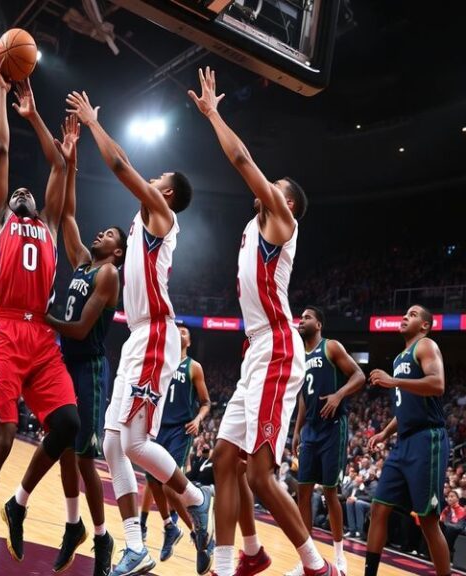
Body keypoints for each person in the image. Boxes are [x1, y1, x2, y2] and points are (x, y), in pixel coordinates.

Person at [187, 67, 337, 576]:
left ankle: (317, 567)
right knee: (225, 460)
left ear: (286, 201)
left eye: (275, 186)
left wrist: (213, 114)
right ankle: (241, 559)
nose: (264, 185)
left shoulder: (282, 220)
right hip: (257, 350)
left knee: (259, 472)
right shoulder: (253, 227)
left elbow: (241, 159)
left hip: (277, 346)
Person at [66, 89, 212, 576]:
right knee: (110, 444)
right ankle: (137, 545)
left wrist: (92, 123)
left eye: (158, 179)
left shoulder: (161, 215)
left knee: (131, 442)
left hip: (155, 334)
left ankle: (194, 498)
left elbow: (122, 165)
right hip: (137, 336)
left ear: (166, 193)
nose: (150, 180)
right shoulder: (142, 222)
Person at [0, 55, 80, 576]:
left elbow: (58, 166)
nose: (22, 192)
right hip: (5, 329)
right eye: (16, 193)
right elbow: (1, 150)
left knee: (68, 424)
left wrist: (39, 120)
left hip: (43, 335)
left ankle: (20, 503)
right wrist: (2, 93)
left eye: (29, 193)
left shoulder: (49, 223)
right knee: (3, 438)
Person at [44, 115, 124, 575]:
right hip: (66, 363)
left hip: (89, 369)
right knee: (64, 450)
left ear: (116, 251)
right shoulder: (79, 261)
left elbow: (77, 330)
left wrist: (43, 317)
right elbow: (68, 214)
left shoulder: (108, 273)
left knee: (85, 458)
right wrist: (71, 158)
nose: (100, 234)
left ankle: (101, 538)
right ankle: (74, 527)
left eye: (109, 235)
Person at [364, 305, 450, 576]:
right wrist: (384, 433)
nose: (404, 317)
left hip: (428, 440)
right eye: (405, 314)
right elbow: (406, 410)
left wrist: (393, 381)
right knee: (378, 509)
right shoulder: (399, 358)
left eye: (412, 315)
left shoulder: (425, 345)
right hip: (403, 442)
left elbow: (437, 384)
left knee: (427, 521)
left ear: (425, 325)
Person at [285, 307, 366, 576]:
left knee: (330, 492)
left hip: (333, 428)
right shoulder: (300, 357)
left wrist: (338, 396)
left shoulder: (330, 347)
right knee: (303, 493)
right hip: (310, 431)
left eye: (307, 317)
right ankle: (308, 559)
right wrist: (297, 429)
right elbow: (302, 397)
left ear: (318, 324)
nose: (302, 320)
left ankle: (340, 558)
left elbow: (359, 376)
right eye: (301, 317)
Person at [139, 325, 212, 569]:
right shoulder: (163, 363)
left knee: (170, 486)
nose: (179, 333)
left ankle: (198, 533)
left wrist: (198, 419)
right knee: (151, 479)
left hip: (180, 431)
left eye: (184, 332)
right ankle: (170, 527)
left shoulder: (194, 367)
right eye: (176, 330)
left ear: (189, 342)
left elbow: (205, 402)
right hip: (158, 428)